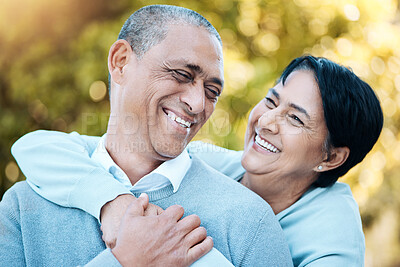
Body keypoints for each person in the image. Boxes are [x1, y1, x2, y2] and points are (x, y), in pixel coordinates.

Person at [12, 55, 384, 266]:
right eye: (272, 101)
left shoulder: (334, 238)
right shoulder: (215, 165)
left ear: (331, 156)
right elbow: (39, 148)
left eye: (295, 119)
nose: (266, 122)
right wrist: (115, 204)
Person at [0, 5, 293, 267]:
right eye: (181, 74)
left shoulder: (249, 221)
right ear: (121, 61)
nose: (198, 104)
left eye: (212, 91)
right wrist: (125, 261)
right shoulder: (22, 209)